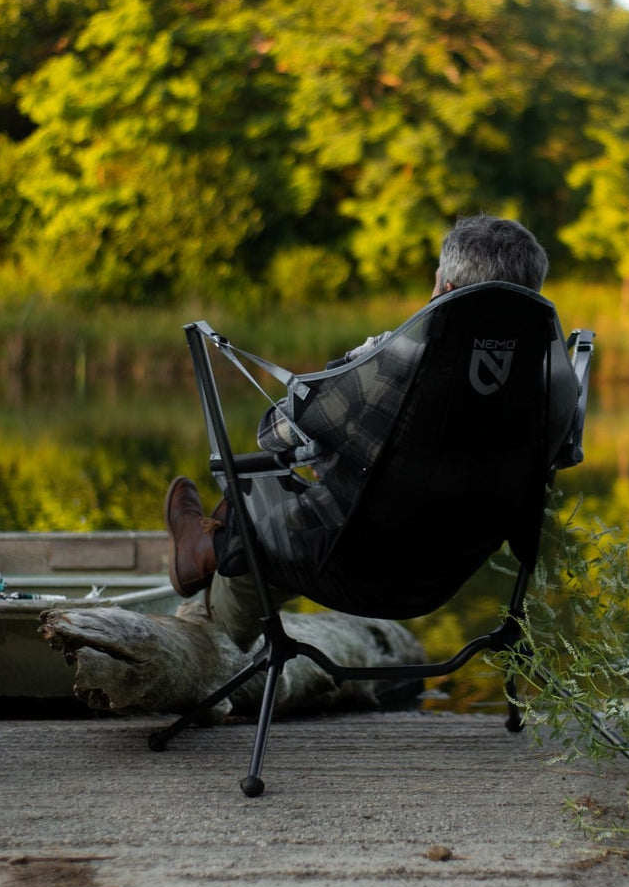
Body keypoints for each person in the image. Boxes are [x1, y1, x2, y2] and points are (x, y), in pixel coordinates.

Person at [164, 214, 551, 650]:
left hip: (350, 565)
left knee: (258, 515)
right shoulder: (549, 386)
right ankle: (208, 549)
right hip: (443, 578)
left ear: (444, 288)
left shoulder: (390, 358)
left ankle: (211, 564)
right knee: (289, 522)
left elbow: (272, 435)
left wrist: (336, 449)